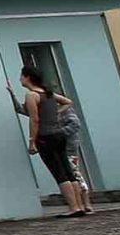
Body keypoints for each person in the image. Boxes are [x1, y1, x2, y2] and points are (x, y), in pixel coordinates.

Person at [18, 66, 96, 217]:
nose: (20, 79)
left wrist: (32, 141)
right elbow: (68, 102)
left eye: (22, 76)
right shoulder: (49, 94)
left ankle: (73, 207)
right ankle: (79, 206)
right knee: (68, 171)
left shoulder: (32, 96)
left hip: (45, 137)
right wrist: (56, 113)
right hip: (59, 135)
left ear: (28, 77)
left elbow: (34, 119)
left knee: (59, 173)